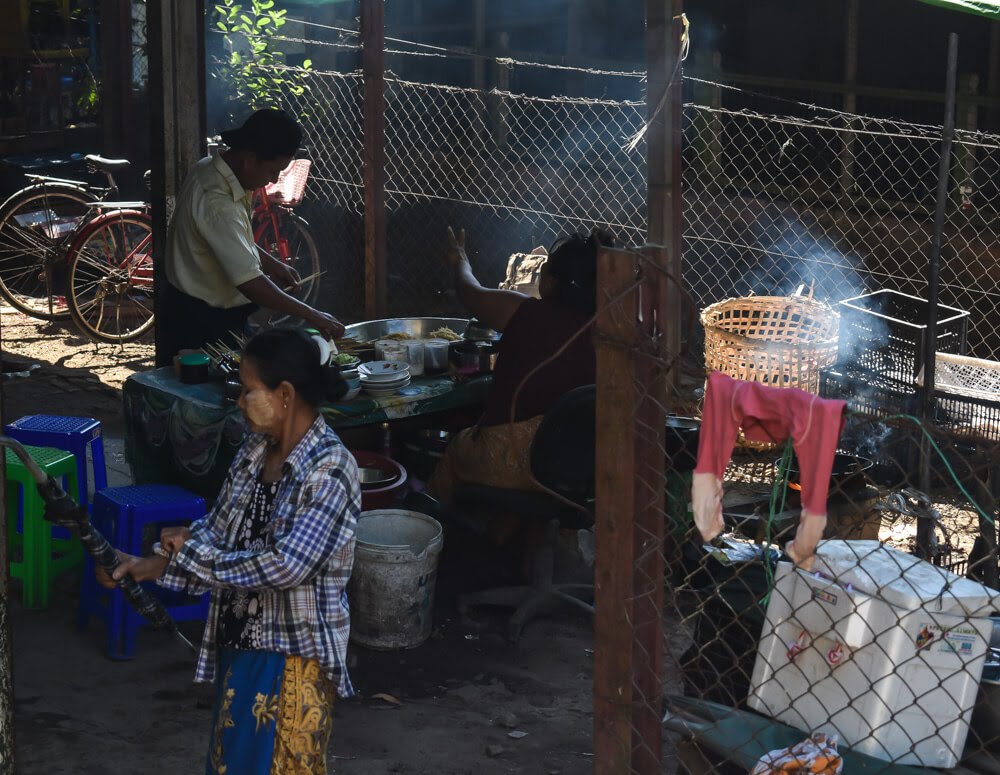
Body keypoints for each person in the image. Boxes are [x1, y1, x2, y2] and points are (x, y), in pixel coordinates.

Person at [100, 327, 361, 773]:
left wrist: (189, 554)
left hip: (294, 658)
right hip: (239, 646)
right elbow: (218, 531)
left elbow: (287, 565)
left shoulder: (331, 469)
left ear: (284, 394)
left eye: (248, 390)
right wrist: (151, 566)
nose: (240, 401)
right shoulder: (256, 451)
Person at [426, 225, 612, 507]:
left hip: (503, 459)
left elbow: (469, 291)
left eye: (544, 270)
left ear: (551, 282)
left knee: (456, 450)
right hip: (572, 470)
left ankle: (432, 525)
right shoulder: (610, 334)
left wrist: (460, 259)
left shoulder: (524, 311)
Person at [160, 108, 344, 364]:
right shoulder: (218, 202)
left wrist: (271, 263)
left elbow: (231, 239)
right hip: (200, 322)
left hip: (202, 311)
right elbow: (250, 284)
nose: (274, 179)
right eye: (272, 171)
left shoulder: (210, 169)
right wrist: (314, 315)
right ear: (249, 159)